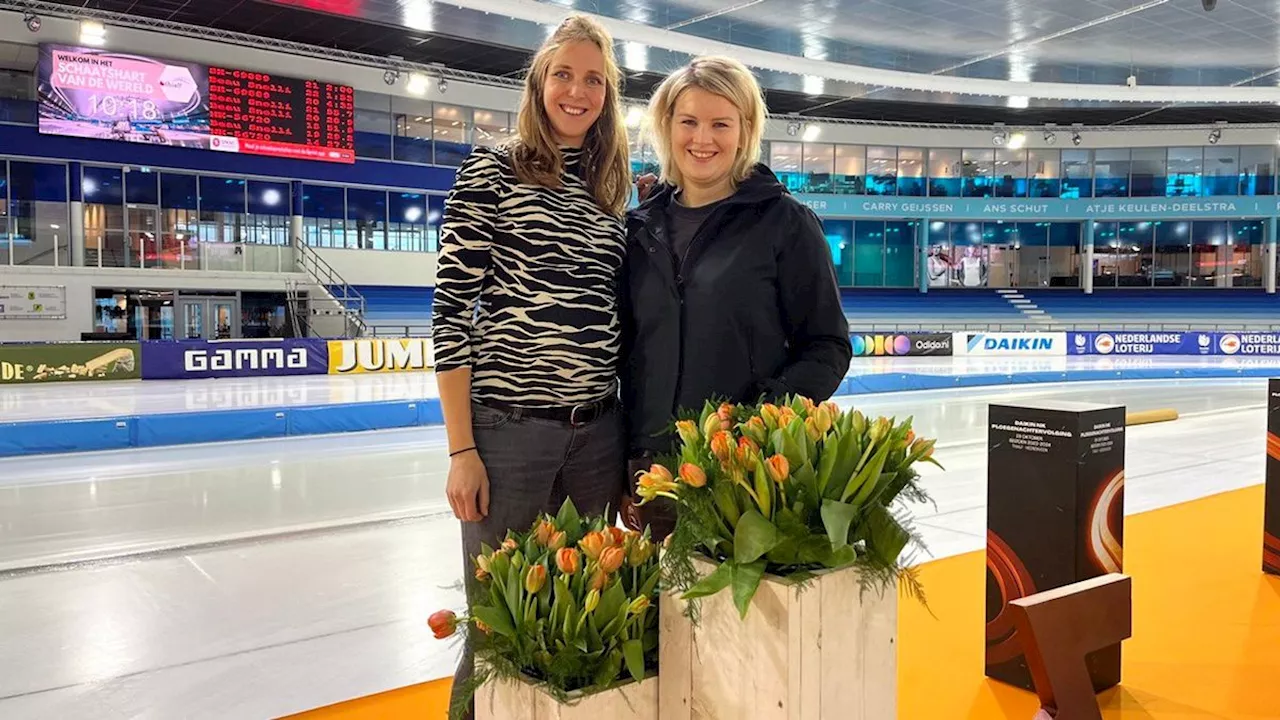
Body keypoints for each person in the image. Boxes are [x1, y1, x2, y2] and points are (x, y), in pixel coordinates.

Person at [430, 14, 632, 717]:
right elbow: (452, 312)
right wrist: (461, 448)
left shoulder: (611, 192)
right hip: (509, 434)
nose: (577, 92)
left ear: (608, 94)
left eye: (594, 80)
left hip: (596, 436)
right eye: (564, 75)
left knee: (577, 615)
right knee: (497, 624)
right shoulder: (492, 167)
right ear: (539, 82)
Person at [620, 56, 852, 537]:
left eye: (720, 124)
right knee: (664, 612)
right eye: (689, 122)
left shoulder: (785, 223)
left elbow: (827, 347)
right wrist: (626, 459)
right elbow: (629, 356)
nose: (702, 139)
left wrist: (755, 423)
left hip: (745, 473)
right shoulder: (639, 230)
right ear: (667, 127)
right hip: (655, 474)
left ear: (745, 132)